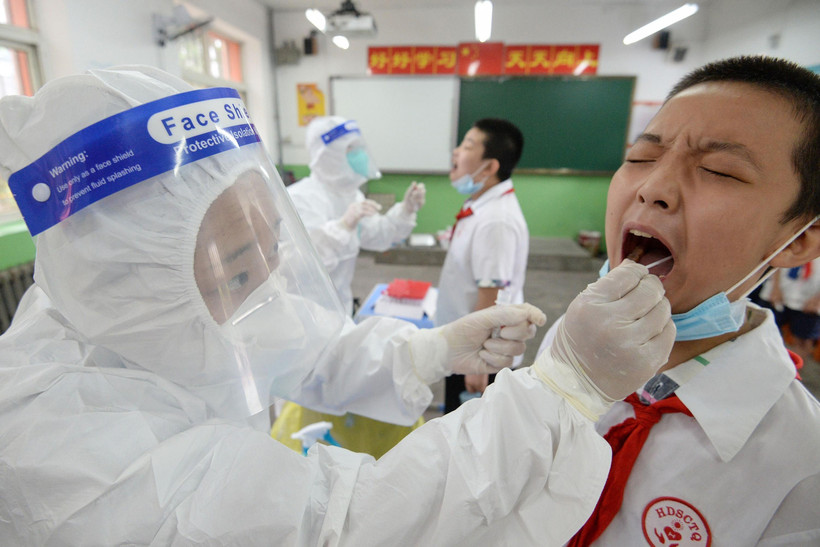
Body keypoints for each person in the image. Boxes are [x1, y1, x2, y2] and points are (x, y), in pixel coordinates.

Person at [0, 66, 676, 545]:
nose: (267, 281)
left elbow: (300, 341)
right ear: (131, 284)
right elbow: (349, 524)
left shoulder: (146, 313)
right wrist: (556, 397)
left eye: (271, 242)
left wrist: (426, 349)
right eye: (238, 269)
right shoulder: (62, 449)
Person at [538, 56, 820, 545]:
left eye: (719, 171)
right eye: (640, 158)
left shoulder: (803, 469)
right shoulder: (568, 342)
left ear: (797, 240)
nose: (653, 188)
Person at [287, 115, 425, 315]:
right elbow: (301, 268)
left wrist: (405, 210)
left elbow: (376, 236)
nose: (360, 154)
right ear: (326, 155)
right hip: (306, 314)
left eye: (360, 147)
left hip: (340, 306)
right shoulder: (299, 198)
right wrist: (342, 227)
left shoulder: (351, 195)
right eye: (350, 148)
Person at [436, 118, 529, 413]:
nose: (456, 153)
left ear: (489, 167)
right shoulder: (480, 206)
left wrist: (479, 363)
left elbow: (491, 298)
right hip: (463, 347)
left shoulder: (495, 221)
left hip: (477, 357)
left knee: (471, 440)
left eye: (467, 146)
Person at [756, 258, 820, 365]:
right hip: (781, 288)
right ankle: (760, 363)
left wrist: (818, 299)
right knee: (762, 329)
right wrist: (775, 287)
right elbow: (779, 257)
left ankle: (792, 370)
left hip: (811, 295)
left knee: (802, 339)